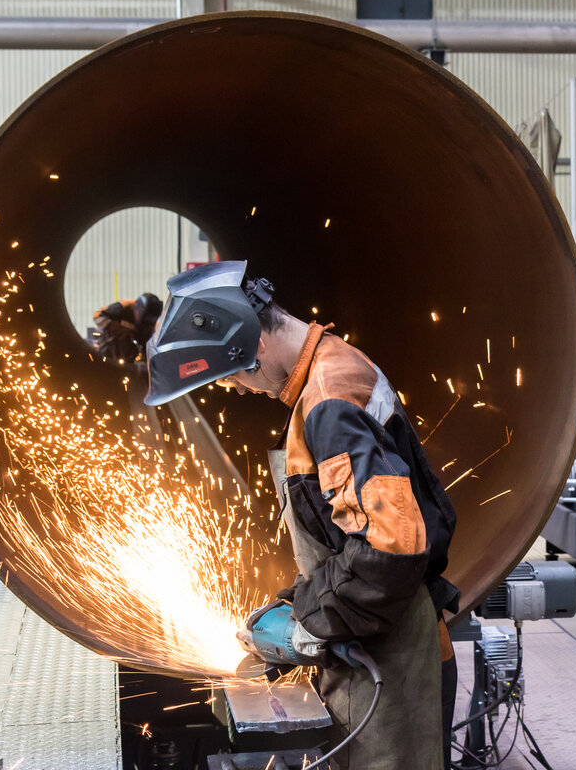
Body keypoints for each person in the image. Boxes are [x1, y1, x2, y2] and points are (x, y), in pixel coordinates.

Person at [144, 261, 458, 770]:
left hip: (390, 652)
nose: (241, 390)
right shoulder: (330, 372)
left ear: (255, 345)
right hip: (374, 632)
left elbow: (391, 545)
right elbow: (350, 532)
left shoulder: (329, 401)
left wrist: (311, 623)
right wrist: (299, 601)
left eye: (235, 377)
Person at [92, 293, 162, 362]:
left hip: (134, 333)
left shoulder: (151, 323)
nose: (147, 322)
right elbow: (97, 316)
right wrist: (127, 328)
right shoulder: (122, 307)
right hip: (110, 332)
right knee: (124, 336)